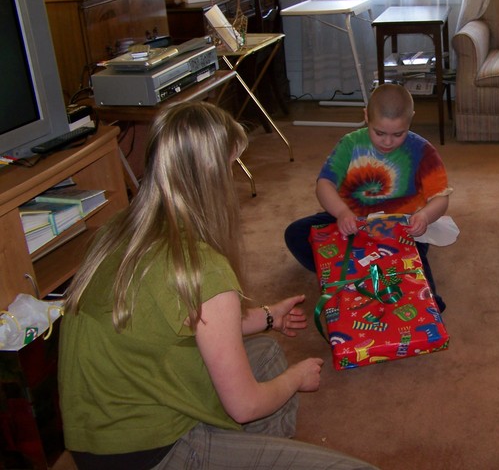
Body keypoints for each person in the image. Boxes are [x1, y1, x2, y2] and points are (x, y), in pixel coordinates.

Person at [58, 101, 377, 469]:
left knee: (266, 354)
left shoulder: (117, 231)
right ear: (210, 177)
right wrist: (295, 378)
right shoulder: (203, 267)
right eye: (229, 166)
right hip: (150, 452)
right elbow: (246, 406)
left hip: (98, 437)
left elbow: (195, 318)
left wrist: (269, 316)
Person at [285, 83, 452, 311]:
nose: (388, 142)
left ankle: (384, 276)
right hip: (351, 220)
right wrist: (342, 212)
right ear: (366, 116)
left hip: (401, 228)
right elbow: (324, 184)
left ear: (410, 119)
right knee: (295, 234)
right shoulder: (349, 144)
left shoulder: (424, 151)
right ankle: (358, 271)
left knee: (423, 289)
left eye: (398, 134)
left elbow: (441, 197)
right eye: (379, 133)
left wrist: (424, 216)